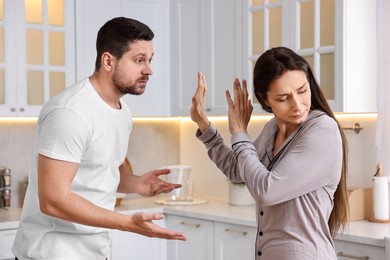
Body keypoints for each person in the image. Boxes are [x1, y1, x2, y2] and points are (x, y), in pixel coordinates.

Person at [12, 17, 186, 260]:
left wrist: (137, 184)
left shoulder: (122, 112)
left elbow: (103, 173)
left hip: (95, 251)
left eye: (149, 60)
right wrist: (126, 222)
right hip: (51, 254)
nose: (149, 70)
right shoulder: (70, 112)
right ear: (108, 61)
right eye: (139, 60)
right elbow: (52, 200)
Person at [190, 47, 348, 259]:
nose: (297, 104)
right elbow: (238, 170)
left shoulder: (323, 130)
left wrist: (239, 133)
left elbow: (267, 191)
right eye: (283, 98)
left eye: (302, 90)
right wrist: (204, 123)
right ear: (265, 101)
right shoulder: (271, 129)